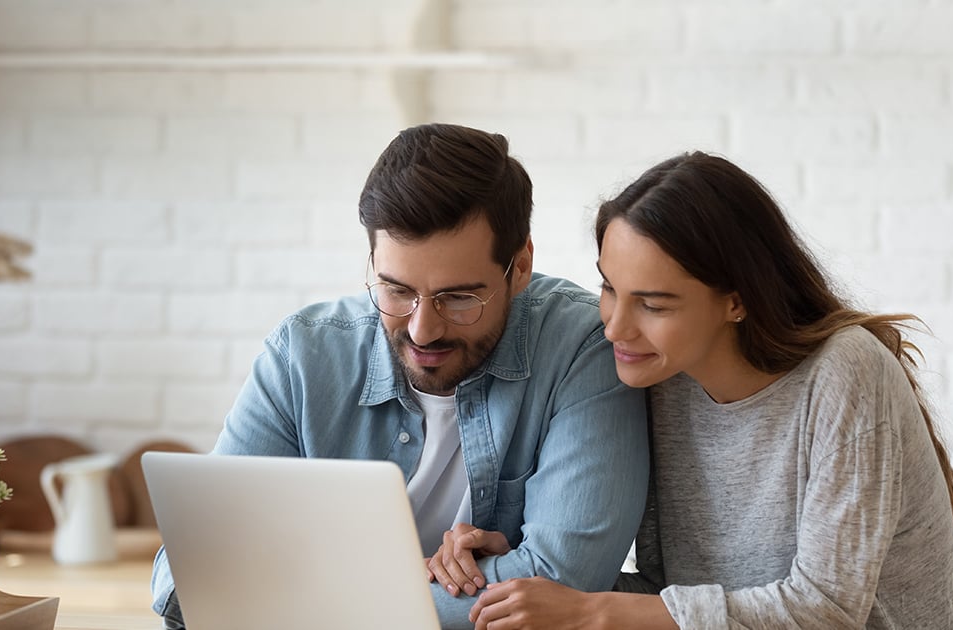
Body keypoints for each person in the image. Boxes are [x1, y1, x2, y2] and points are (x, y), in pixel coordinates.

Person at [149, 123, 650, 629]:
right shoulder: (302, 356)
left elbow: (564, 581)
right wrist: (428, 585)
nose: (423, 329)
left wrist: (306, 597)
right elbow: (188, 574)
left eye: (458, 298)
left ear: (519, 267)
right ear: (372, 262)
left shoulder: (583, 347)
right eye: (395, 290)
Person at [452, 151, 953, 629]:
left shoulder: (845, 373)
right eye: (610, 289)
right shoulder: (662, 380)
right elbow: (671, 598)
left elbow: (827, 611)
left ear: (736, 301)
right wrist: (525, 569)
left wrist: (593, 610)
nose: (614, 328)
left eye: (653, 305)